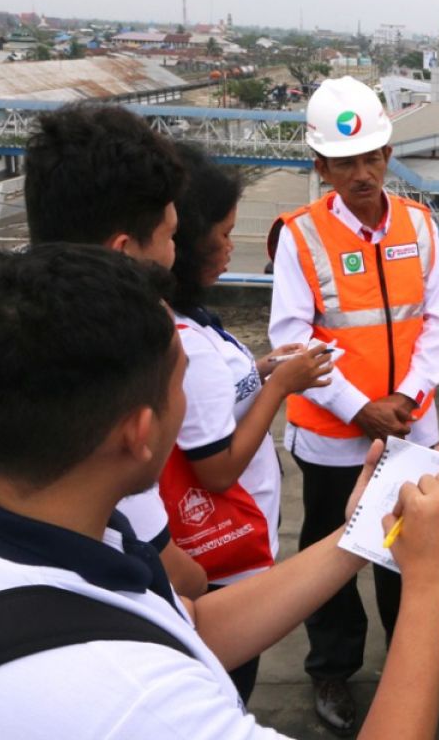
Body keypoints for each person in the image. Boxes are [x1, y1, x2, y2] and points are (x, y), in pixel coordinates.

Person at [0, 244, 439, 739]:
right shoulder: (145, 704)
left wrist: (358, 533)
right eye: (183, 383)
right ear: (139, 433)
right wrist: (428, 584)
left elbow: (191, 628)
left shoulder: (66, 537)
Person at [269, 76, 439, 734]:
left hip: (410, 426)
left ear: (387, 155)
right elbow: (290, 340)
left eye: (373, 157)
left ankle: (418, 655)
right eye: (346, 162)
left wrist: (405, 398)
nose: (363, 173)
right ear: (321, 165)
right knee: (335, 552)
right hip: (335, 435)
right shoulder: (300, 237)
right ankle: (331, 667)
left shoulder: (419, 224)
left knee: (412, 545)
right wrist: (360, 409)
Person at [165, 144, 334, 704]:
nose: (231, 245)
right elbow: (216, 468)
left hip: (228, 542)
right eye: (224, 232)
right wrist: (280, 388)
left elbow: (218, 398)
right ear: (187, 244)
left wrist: (260, 370)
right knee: (228, 684)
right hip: (221, 555)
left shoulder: (188, 321)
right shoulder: (184, 345)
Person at [21, 103, 207, 600]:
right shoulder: (106, 384)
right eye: (169, 236)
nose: (174, 254)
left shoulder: (4, 333)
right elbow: (176, 580)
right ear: (122, 254)